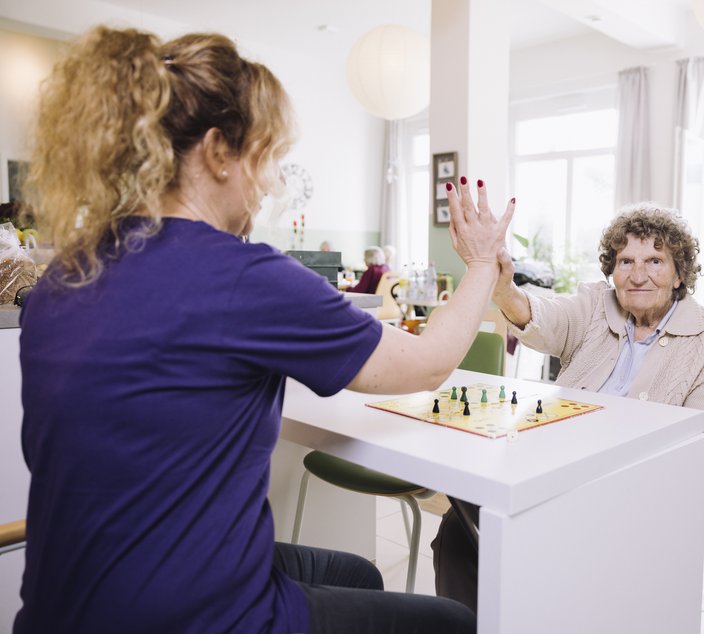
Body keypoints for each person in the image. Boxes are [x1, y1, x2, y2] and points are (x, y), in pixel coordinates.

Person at [16, 26, 514, 634]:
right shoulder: (243, 276)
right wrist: (484, 262)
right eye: (267, 158)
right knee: (452, 623)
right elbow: (429, 362)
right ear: (219, 151)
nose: (273, 183)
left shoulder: (67, 271)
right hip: (192, 617)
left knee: (357, 576)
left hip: (63, 605)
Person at [431, 203, 704, 612]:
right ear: (612, 270)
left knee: (521, 533)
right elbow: (544, 317)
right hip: (559, 470)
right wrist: (504, 288)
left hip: (646, 490)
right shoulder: (596, 305)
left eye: (655, 261)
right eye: (626, 260)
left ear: (680, 273)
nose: (638, 273)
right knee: (459, 529)